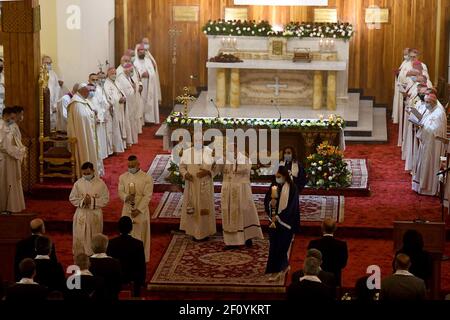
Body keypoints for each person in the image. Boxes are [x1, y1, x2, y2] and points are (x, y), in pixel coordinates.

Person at [219, 142, 263, 249]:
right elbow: (216, 169)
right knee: (229, 213)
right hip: (228, 191)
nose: (229, 152)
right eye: (227, 150)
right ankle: (231, 241)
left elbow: (244, 168)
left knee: (245, 212)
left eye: (231, 149)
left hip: (241, 190)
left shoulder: (243, 158)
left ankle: (247, 237)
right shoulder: (224, 159)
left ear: (236, 149)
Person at [265, 166, 299, 278]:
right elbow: (266, 200)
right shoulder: (273, 186)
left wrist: (279, 217)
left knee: (282, 246)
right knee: (274, 246)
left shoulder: (293, 188)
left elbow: (292, 207)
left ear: (284, 176)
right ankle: (279, 267)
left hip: (286, 222)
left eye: (279, 177)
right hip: (273, 222)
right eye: (276, 176)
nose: (277, 178)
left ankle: (280, 269)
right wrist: (271, 204)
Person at [179, 139, 217, 241]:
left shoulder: (210, 152)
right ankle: (193, 232)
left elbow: (216, 168)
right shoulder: (187, 152)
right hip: (192, 184)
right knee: (193, 207)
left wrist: (208, 173)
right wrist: (186, 174)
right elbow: (182, 167)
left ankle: (205, 232)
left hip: (205, 184)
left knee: (205, 208)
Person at [70, 162, 109, 257]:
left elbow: (105, 199)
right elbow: (72, 198)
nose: (86, 176)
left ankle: (94, 255)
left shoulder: (100, 184)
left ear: (93, 171)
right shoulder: (78, 183)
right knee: (80, 236)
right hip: (81, 213)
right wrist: (83, 201)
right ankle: (81, 255)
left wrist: (91, 201)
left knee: (94, 235)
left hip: (94, 214)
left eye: (88, 173)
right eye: (84, 174)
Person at [118, 155, 153, 262]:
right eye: (129, 166)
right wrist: (126, 197)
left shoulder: (147, 178)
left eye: (133, 165)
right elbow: (120, 191)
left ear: (138, 165)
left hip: (140, 209)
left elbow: (148, 195)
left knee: (141, 234)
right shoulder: (123, 177)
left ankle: (141, 258)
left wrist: (138, 210)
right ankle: (126, 258)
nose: (130, 168)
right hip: (127, 208)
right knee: (127, 234)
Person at [412, 94, 447, 195]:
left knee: (429, 163)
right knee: (423, 163)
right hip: (427, 142)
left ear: (433, 102)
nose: (426, 104)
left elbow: (435, 130)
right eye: (425, 102)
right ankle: (421, 184)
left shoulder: (438, 113)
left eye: (427, 102)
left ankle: (428, 187)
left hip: (433, 145)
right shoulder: (431, 110)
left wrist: (422, 127)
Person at [67, 83, 104, 178]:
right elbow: (80, 121)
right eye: (88, 90)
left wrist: (94, 115)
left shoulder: (84, 101)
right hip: (82, 136)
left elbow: (88, 115)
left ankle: (94, 171)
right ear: (82, 90)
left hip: (89, 134)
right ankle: (86, 174)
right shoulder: (75, 104)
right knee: (86, 152)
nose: (90, 92)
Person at [107, 216, 146, 297]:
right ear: (131, 228)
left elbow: (109, 263)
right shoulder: (138, 244)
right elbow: (141, 265)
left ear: (118, 228)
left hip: (115, 279)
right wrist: (141, 282)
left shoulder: (111, 243)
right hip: (133, 278)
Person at [0, 107, 26, 213]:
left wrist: (20, 149)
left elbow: (15, 142)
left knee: (12, 182)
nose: (12, 120)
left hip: (11, 159)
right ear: (6, 115)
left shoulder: (9, 126)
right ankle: (5, 207)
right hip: (5, 160)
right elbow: (4, 146)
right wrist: (20, 151)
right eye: (11, 118)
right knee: (5, 182)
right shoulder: (1, 126)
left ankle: (12, 206)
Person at [308, 219, 348, 286]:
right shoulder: (342, 245)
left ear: (322, 228)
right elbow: (343, 264)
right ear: (335, 229)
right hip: (334, 279)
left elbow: (309, 262)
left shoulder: (313, 244)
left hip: (317, 278)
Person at [89, 234, 122, 301]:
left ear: (91, 246)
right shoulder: (115, 263)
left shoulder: (84, 263)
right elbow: (118, 287)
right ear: (106, 246)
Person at [134, 43, 160, 124]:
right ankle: (141, 121)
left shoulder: (148, 61)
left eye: (143, 50)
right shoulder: (134, 62)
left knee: (148, 100)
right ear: (137, 52)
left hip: (149, 84)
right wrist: (141, 74)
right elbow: (133, 74)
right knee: (140, 102)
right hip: (140, 85)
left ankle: (149, 119)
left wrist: (149, 74)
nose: (142, 52)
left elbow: (153, 72)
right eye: (140, 50)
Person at [115, 63, 140, 145]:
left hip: (132, 103)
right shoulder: (121, 78)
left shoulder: (128, 77)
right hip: (127, 105)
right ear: (126, 70)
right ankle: (129, 141)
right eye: (131, 71)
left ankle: (132, 139)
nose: (132, 72)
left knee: (132, 120)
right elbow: (124, 91)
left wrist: (134, 88)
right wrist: (133, 89)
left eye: (132, 71)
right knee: (128, 121)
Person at [104, 67, 126, 153]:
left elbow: (121, 92)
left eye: (115, 73)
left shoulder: (117, 82)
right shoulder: (106, 84)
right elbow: (109, 98)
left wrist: (124, 98)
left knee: (121, 126)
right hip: (115, 109)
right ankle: (116, 148)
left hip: (120, 108)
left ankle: (122, 145)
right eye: (112, 73)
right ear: (108, 74)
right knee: (116, 128)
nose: (114, 75)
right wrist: (118, 100)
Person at [88, 73, 109, 160]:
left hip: (101, 116)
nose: (95, 82)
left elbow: (103, 103)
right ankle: (96, 157)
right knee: (96, 138)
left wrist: (104, 114)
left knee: (102, 137)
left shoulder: (100, 90)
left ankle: (102, 156)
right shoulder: (87, 91)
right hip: (93, 117)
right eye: (93, 80)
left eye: (97, 80)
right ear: (89, 80)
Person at [42, 55, 64, 131]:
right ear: (42, 63)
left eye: (50, 63)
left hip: (53, 103)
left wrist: (55, 103)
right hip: (43, 103)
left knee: (53, 124)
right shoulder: (40, 73)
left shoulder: (53, 74)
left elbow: (57, 88)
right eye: (47, 63)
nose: (49, 65)